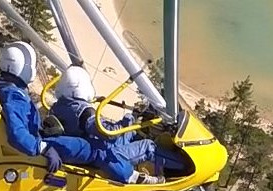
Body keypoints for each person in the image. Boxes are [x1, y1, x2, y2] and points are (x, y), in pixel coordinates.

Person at [51, 65, 184, 181]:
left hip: (86, 148)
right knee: (148, 146)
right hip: (105, 153)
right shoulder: (84, 111)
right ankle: (185, 167)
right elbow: (108, 133)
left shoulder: (57, 107)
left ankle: (161, 163)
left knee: (133, 134)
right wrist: (128, 119)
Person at [0, 42, 99, 175]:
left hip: (34, 142)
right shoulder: (15, 96)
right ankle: (130, 177)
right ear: (24, 68)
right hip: (32, 153)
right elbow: (17, 133)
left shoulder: (1, 87)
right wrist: (44, 148)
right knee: (93, 149)